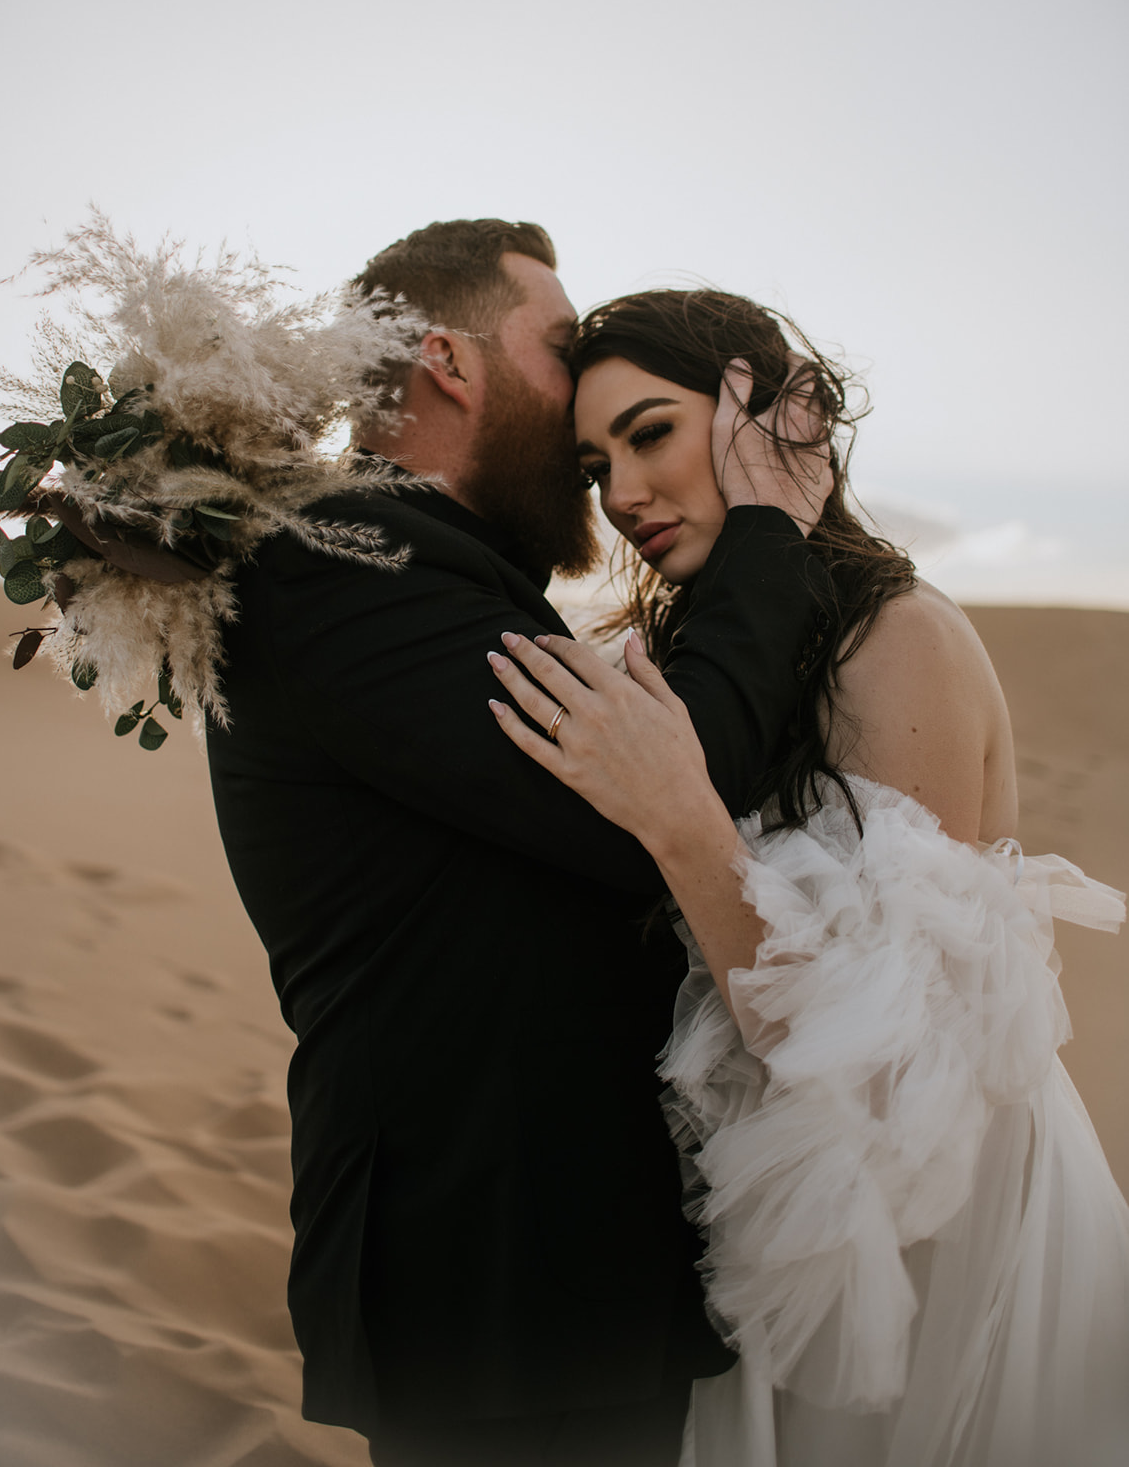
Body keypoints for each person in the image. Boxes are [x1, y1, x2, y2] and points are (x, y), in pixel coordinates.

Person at [205, 224, 837, 1466]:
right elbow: (662, 795)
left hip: (562, 1279)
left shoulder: (442, 576)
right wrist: (768, 529)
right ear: (447, 359)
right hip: (492, 1289)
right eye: (558, 347)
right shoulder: (344, 566)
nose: (584, 381)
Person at [485, 288, 1129, 1467]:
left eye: (649, 432)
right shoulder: (714, 652)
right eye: (593, 464)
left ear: (773, 417)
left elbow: (890, 1077)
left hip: (915, 1243)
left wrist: (681, 827)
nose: (620, 495)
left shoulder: (897, 641)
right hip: (770, 1213)